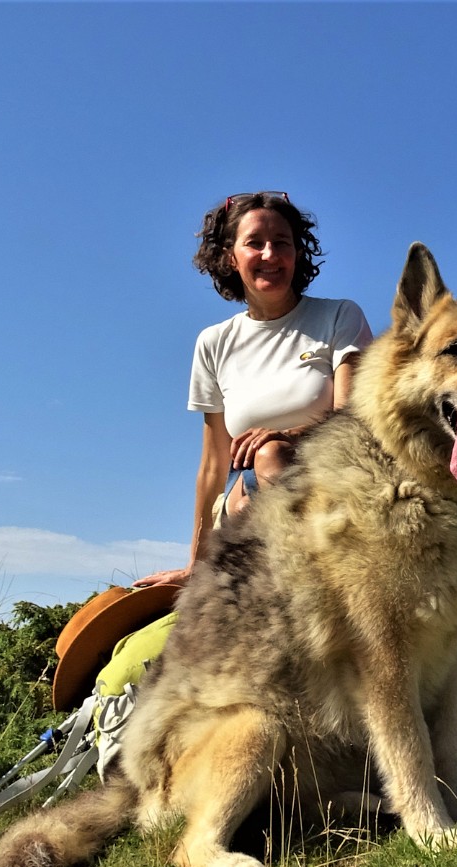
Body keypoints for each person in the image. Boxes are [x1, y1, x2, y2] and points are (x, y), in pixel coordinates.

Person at [134, 191, 372, 589]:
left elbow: (353, 420)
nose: (269, 254)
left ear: (298, 253)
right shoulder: (214, 342)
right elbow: (213, 465)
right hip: (246, 490)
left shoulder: (339, 316)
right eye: (254, 243)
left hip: (334, 481)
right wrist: (196, 565)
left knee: (273, 454)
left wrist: (288, 436)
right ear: (230, 256)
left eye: (282, 242)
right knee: (265, 463)